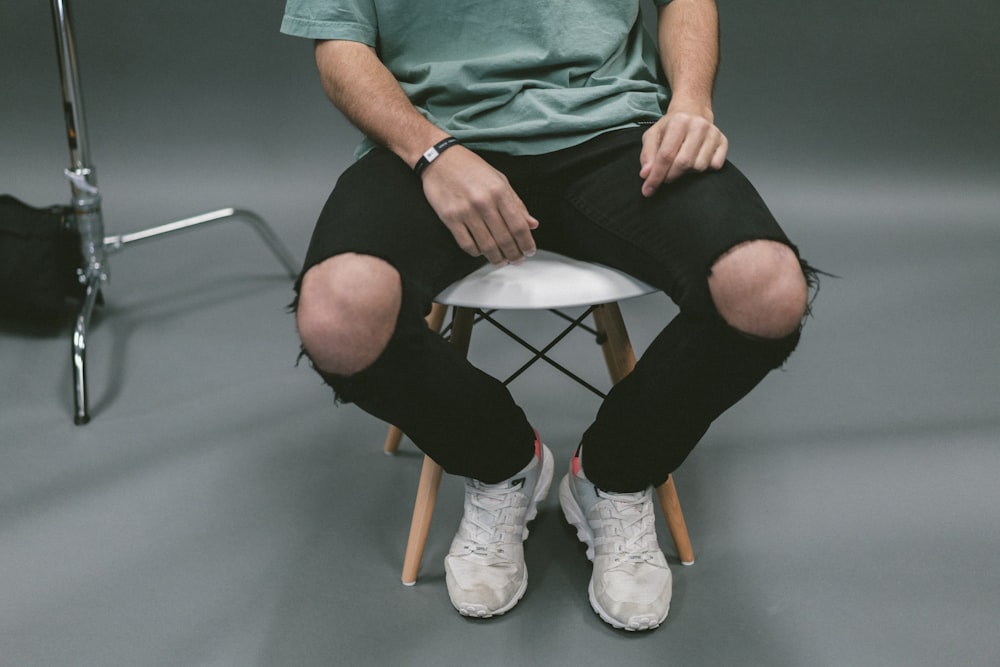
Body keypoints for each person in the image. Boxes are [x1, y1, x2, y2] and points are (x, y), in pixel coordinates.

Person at [281, 0, 815, 631]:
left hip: (615, 130)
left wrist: (691, 103)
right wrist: (431, 152)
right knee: (338, 315)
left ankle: (613, 475)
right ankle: (504, 464)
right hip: (435, 139)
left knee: (766, 287)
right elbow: (340, 45)